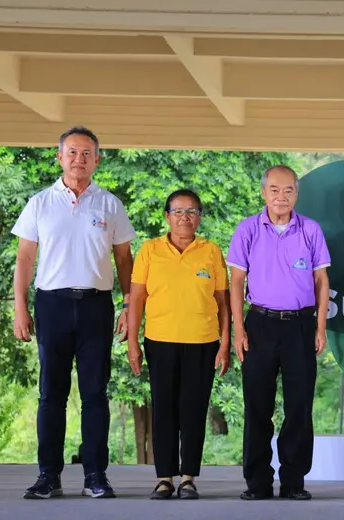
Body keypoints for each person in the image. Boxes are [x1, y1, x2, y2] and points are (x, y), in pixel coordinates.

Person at [12, 126, 136, 499]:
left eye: (87, 154)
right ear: (60, 157)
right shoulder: (40, 203)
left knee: (95, 394)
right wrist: (20, 307)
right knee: (52, 394)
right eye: (72, 152)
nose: (79, 159)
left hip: (97, 305)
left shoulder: (109, 204)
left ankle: (96, 475)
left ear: (97, 159)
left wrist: (129, 305)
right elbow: (24, 258)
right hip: (51, 305)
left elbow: (125, 260)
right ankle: (48, 475)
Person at [226, 165, 331, 501]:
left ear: (296, 194)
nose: (280, 196)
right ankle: (257, 482)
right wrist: (239, 329)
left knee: (299, 406)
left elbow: (321, 281)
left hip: (301, 325)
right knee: (257, 406)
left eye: (288, 190)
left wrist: (320, 327)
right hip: (259, 324)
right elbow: (237, 281)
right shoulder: (247, 230)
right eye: (274, 189)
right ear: (263, 192)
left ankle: (294, 481)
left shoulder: (311, 230)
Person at [126, 189, 231, 500]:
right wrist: (132, 342)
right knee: (164, 411)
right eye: (178, 211)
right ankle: (164, 478)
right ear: (167, 216)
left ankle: (188, 478)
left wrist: (225, 344)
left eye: (192, 211)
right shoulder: (149, 250)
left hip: (203, 342)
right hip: (160, 341)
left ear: (199, 217)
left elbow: (223, 303)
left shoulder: (211, 251)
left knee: (194, 411)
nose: (185, 217)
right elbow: (137, 300)